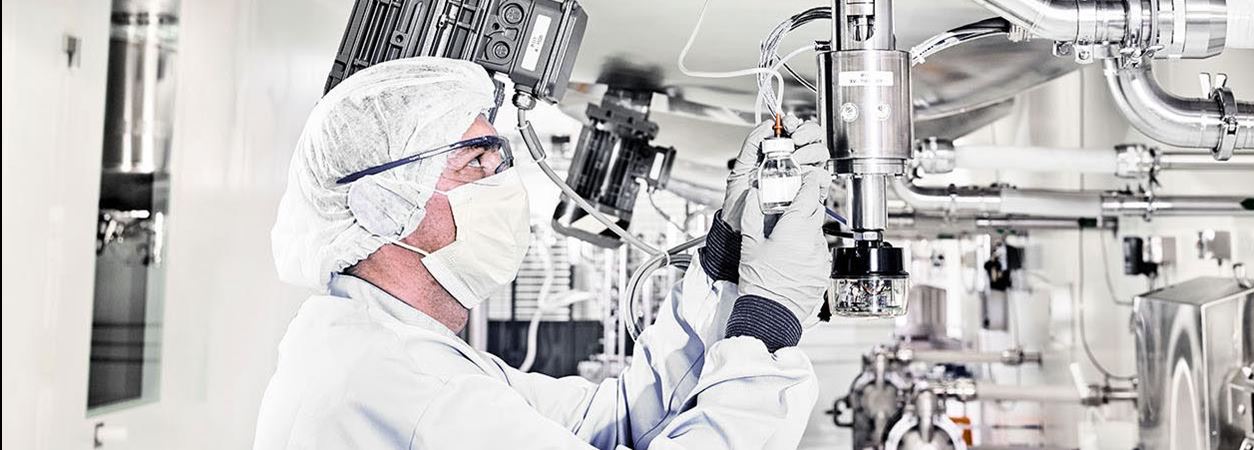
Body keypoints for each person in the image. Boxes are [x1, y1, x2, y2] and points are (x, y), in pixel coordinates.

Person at [254, 57, 833, 449]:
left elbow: (614, 421)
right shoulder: (403, 386)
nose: (503, 184)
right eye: (474, 163)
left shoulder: (389, 343)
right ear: (385, 206)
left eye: (499, 160)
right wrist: (769, 320)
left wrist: (725, 255)